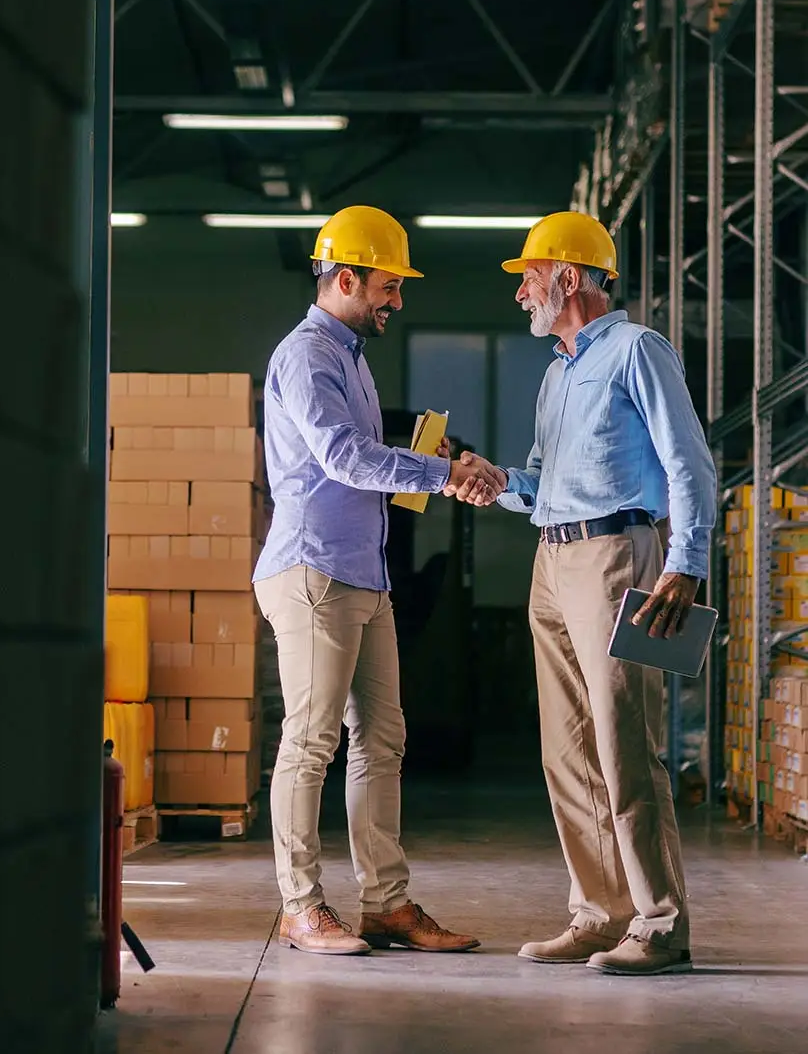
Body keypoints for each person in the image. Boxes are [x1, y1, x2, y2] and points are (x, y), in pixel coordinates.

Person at [445, 211, 716, 976]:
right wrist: (495, 483)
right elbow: (545, 485)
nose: (521, 289)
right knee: (567, 751)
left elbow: (689, 463)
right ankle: (600, 913)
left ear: (568, 276)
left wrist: (685, 561)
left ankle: (661, 921)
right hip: (554, 558)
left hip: (617, 559)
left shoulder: (638, 351)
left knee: (624, 744)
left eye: (528, 275)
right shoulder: (558, 371)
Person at [253, 205, 498, 956]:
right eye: (388, 287)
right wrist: (442, 472)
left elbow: (362, 454)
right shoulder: (307, 356)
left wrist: (431, 461)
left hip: (362, 572)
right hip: (313, 568)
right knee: (311, 738)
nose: (397, 301)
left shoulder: (352, 356)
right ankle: (300, 905)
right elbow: (344, 459)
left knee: (382, 738)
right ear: (347, 278)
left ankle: (386, 903)